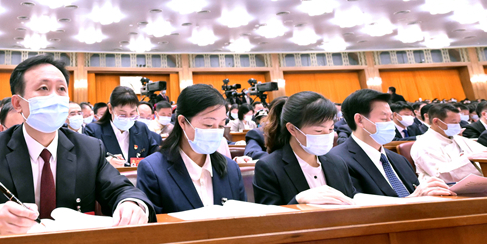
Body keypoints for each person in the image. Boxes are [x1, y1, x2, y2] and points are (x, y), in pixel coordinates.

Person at [0, 54, 153, 237]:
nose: (55, 97)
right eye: (43, 88)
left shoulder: (89, 148)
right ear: (18, 103)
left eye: (61, 89)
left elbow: (123, 190)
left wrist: (131, 205)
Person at [136, 84, 246, 214]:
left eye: (221, 125)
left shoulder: (231, 169)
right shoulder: (153, 170)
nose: (216, 131)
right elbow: (154, 223)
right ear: (182, 122)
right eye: (208, 125)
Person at [331, 89, 452, 198]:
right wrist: (410, 201)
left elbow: (417, 193)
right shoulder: (337, 161)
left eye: (390, 118)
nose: (390, 123)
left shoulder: (399, 159)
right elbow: (356, 207)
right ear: (360, 120)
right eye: (384, 119)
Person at [252, 91, 356, 206]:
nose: (327, 135)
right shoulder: (269, 168)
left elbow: (351, 200)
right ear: (292, 129)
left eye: (331, 129)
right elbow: (270, 214)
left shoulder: (337, 163)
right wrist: (298, 200)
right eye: (319, 131)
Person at [410, 103, 487, 183]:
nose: (458, 126)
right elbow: (439, 174)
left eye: (458, 122)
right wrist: (468, 159)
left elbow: (484, 152)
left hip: (473, 183)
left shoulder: (458, 139)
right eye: (454, 123)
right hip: (442, 188)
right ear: (436, 121)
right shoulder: (423, 144)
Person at [83, 86, 161, 167]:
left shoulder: (141, 128)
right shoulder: (93, 131)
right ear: (110, 108)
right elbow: (85, 162)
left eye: (132, 114)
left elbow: (156, 155)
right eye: (122, 115)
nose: (128, 118)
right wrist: (105, 163)